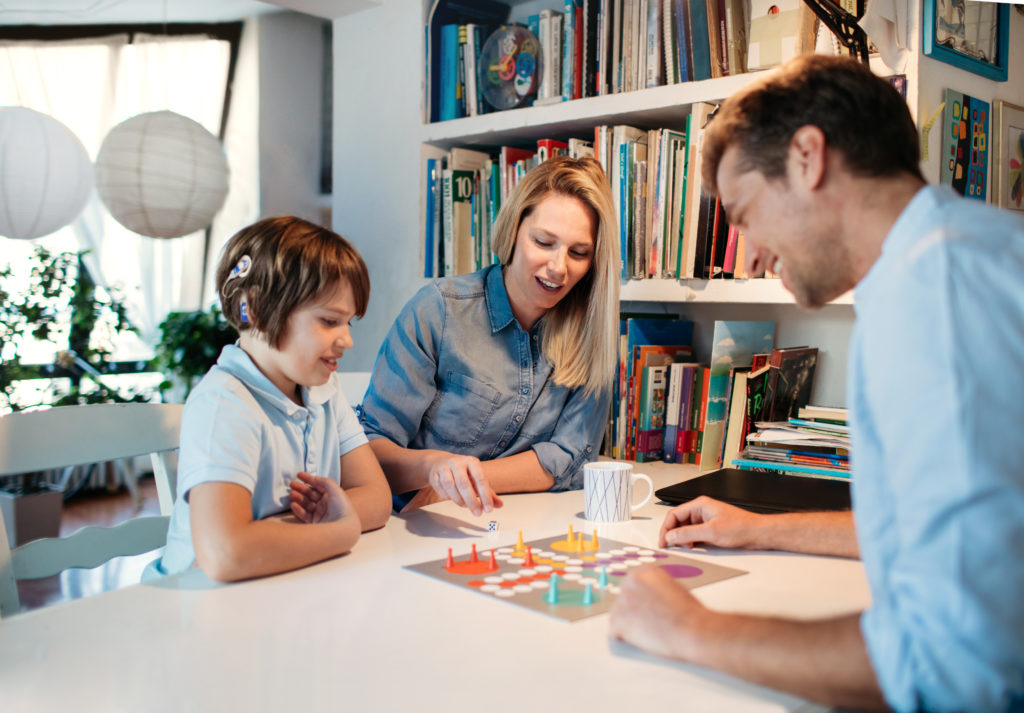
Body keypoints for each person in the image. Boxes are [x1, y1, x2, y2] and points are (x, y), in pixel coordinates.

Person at [608, 54, 1024, 713]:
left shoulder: (932, 300)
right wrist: (758, 528)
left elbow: (954, 662)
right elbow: (955, 533)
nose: (746, 253)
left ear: (807, 157)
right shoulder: (975, 249)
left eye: (742, 214)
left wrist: (691, 627)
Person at [359, 156, 619, 516]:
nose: (559, 268)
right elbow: (369, 451)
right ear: (513, 230)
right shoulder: (439, 310)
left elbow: (570, 457)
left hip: (520, 528)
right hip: (411, 528)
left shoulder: (593, 334)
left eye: (578, 253)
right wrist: (435, 470)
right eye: (544, 242)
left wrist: (461, 483)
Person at [159, 216, 392, 582]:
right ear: (260, 310)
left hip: (285, 587)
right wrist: (339, 530)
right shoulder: (224, 405)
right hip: (201, 608)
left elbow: (377, 499)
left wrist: (272, 535)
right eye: (330, 321)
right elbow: (226, 554)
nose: (347, 340)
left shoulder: (324, 390)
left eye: (349, 323)